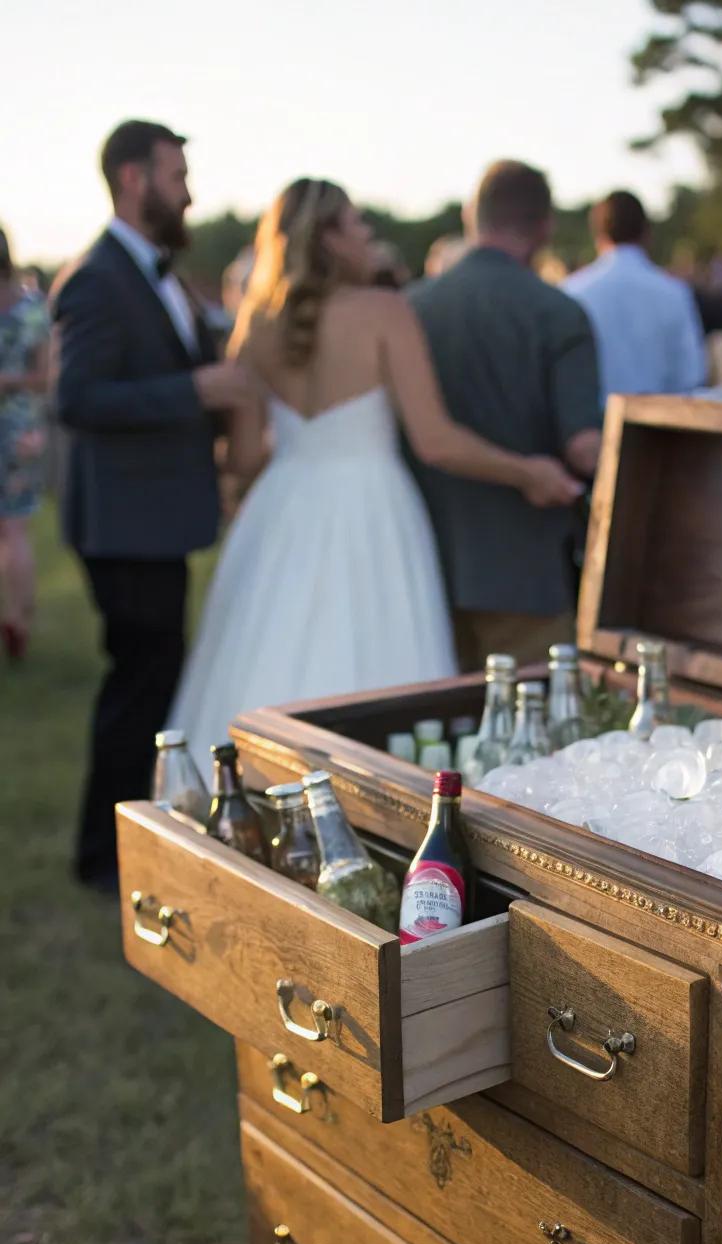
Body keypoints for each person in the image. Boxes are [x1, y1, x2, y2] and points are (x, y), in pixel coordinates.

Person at [167, 177, 581, 773]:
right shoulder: (386, 311)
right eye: (358, 223)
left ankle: (251, 784)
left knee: (265, 646)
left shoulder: (256, 324)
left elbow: (243, 461)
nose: (369, 235)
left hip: (280, 509)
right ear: (330, 238)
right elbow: (435, 441)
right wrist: (527, 471)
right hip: (374, 509)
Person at [53, 119, 254, 893]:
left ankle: (123, 839)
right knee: (138, 683)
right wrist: (196, 391)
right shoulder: (99, 277)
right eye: (176, 176)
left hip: (155, 522)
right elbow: (78, 397)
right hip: (122, 529)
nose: (189, 192)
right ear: (135, 179)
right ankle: (102, 857)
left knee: (152, 678)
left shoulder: (159, 274)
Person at [407, 160, 602, 671]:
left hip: (421, 561)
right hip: (527, 568)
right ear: (545, 227)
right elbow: (583, 446)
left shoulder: (410, 309)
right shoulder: (558, 312)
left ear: (473, 218)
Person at [562, 191, 706, 406]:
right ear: (646, 233)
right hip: (660, 429)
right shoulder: (675, 293)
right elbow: (691, 375)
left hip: (592, 429)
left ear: (598, 235)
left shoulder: (571, 292)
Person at [0, 226, 50, 661]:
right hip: (22, 431)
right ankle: (18, 618)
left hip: (14, 432)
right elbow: (43, 377)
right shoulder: (32, 309)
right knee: (15, 530)